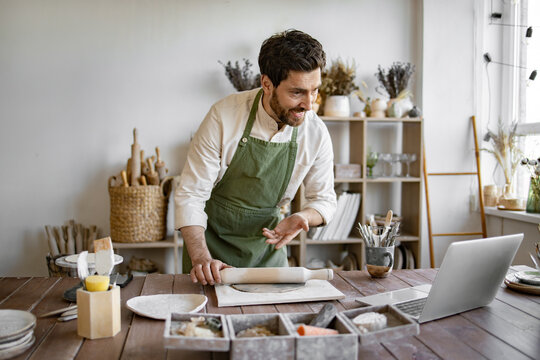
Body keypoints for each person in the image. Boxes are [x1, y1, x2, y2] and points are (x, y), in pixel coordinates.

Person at [175, 29, 337, 285]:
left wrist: (303, 217)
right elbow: (191, 195)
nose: (309, 104)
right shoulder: (224, 116)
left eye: (314, 90)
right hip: (212, 253)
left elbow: (325, 200)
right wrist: (201, 259)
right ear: (267, 84)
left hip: (267, 254)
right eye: (297, 93)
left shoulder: (315, 132)